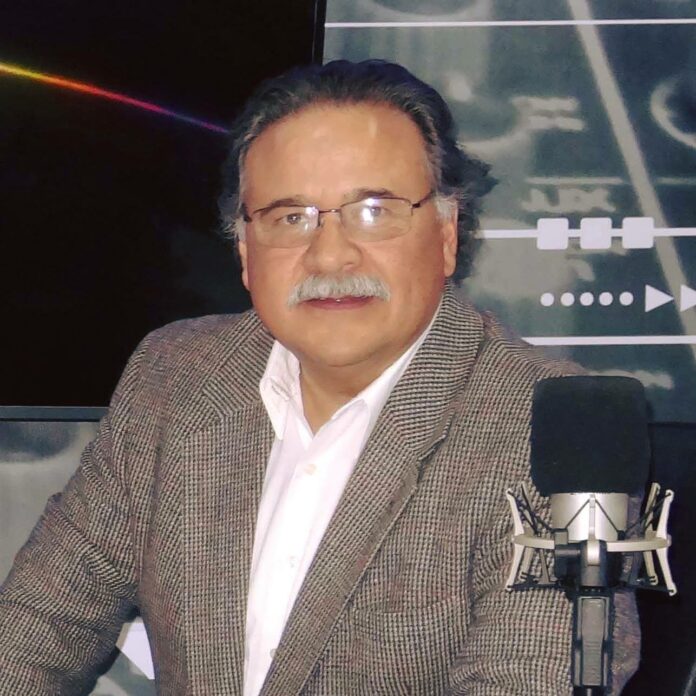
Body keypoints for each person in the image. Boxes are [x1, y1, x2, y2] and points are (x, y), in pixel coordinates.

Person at [0, 60, 639, 695]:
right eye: (290, 218)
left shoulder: (552, 431)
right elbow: (38, 627)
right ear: (245, 251)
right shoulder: (176, 376)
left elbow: (530, 681)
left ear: (447, 233)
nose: (330, 255)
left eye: (374, 211)